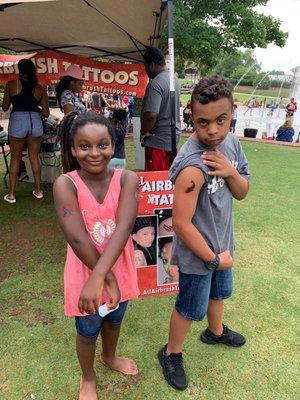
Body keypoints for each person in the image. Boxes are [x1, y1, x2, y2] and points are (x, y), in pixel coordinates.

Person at [157, 75, 250, 391]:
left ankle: (216, 331)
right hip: (201, 255)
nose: (212, 130)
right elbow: (181, 225)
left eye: (221, 120)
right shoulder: (193, 166)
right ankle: (171, 353)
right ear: (191, 118)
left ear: (232, 113)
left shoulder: (232, 144)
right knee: (189, 307)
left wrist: (231, 171)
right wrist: (214, 259)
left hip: (223, 244)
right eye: (203, 122)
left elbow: (242, 191)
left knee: (219, 294)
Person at [53, 111, 140, 400]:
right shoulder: (66, 184)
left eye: (102, 145)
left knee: (115, 319)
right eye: (84, 146)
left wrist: (106, 276)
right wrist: (100, 278)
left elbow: (125, 226)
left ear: (113, 145)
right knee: (87, 329)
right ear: (73, 148)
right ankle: (87, 377)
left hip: (118, 269)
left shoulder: (127, 179)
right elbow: (77, 238)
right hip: (84, 277)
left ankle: (110, 357)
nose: (94, 153)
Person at [2, 58, 49, 203]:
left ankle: (11, 194)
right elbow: (46, 113)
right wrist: (35, 108)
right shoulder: (40, 88)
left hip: (17, 120)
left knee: (15, 158)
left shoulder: (11, 85)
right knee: (34, 157)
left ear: (19, 70)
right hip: (35, 120)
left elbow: (4, 107)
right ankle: (39, 190)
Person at [140, 47, 181, 171]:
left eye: (145, 66)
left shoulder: (155, 83)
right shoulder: (174, 79)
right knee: (168, 180)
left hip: (157, 141)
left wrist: (143, 132)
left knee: (155, 181)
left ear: (152, 65)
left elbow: (152, 114)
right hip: (172, 137)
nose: (146, 70)